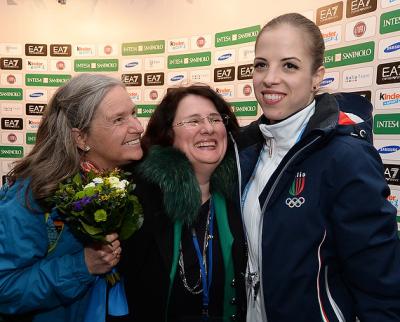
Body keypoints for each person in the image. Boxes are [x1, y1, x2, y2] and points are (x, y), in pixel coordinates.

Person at [232, 13, 400, 322]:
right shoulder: (247, 150)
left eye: (290, 65)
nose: (270, 78)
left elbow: (380, 284)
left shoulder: (345, 157)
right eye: (260, 64)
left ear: (316, 77)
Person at [0, 73, 144, 322]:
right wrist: (82, 266)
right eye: (119, 119)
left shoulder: (126, 182)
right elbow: (5, 288)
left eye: (134, 113)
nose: (138, 127)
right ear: (81, 138)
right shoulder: (33, 196)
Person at [114, 85, 247, 322]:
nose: (208, 128)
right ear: (168, 135)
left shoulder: (242, 193)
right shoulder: (139, 198)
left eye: (215, 119)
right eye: (193, 121)